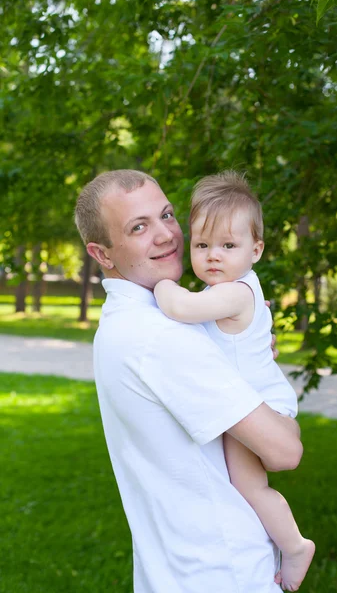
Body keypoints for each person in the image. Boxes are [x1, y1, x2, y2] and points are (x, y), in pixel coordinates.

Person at [74, 169, 303, 593]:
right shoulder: (161, 335)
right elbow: (285, 451)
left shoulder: (127, 323)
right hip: (222, 573)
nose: (165, 235)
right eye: (139, 227)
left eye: (167, 215)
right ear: (102, 254)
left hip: (177, 572)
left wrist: (245, 343)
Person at [154, 171, 315, 592]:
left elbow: (180, 308)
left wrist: (161, 284)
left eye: (228, 245)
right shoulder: (233, 290)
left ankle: (295, 545)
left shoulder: (234, 293)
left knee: (249, 486)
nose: (213, 256)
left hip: (260, 404)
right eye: (203, 245)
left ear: (256, 249)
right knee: (240, 483)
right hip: (255, 399)